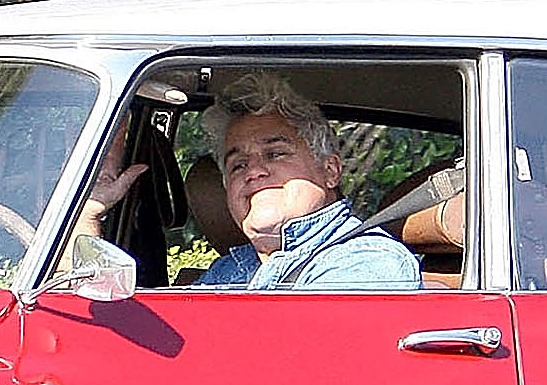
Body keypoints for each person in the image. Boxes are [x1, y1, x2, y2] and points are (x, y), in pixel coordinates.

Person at [83, 70, 420, 290]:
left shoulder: (366, 263)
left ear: (330, 170)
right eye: (237, 164)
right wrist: (89, 214)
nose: (254, 171)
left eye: (275, 154)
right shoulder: (228, 272)